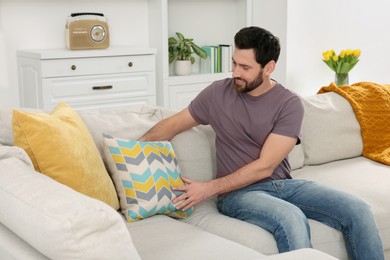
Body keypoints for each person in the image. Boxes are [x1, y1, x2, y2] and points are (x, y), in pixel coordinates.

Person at [139, 26, 384, 259]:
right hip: (237, 194)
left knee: (358, 210)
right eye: (234, 63)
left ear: (269, 68)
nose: (235, 72)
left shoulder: (289, 104)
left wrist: (207, 187)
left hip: (284, 186)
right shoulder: (216, 94)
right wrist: (130, 151)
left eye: (245, 67)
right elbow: (171, 125)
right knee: (291, 217)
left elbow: (266, 166)